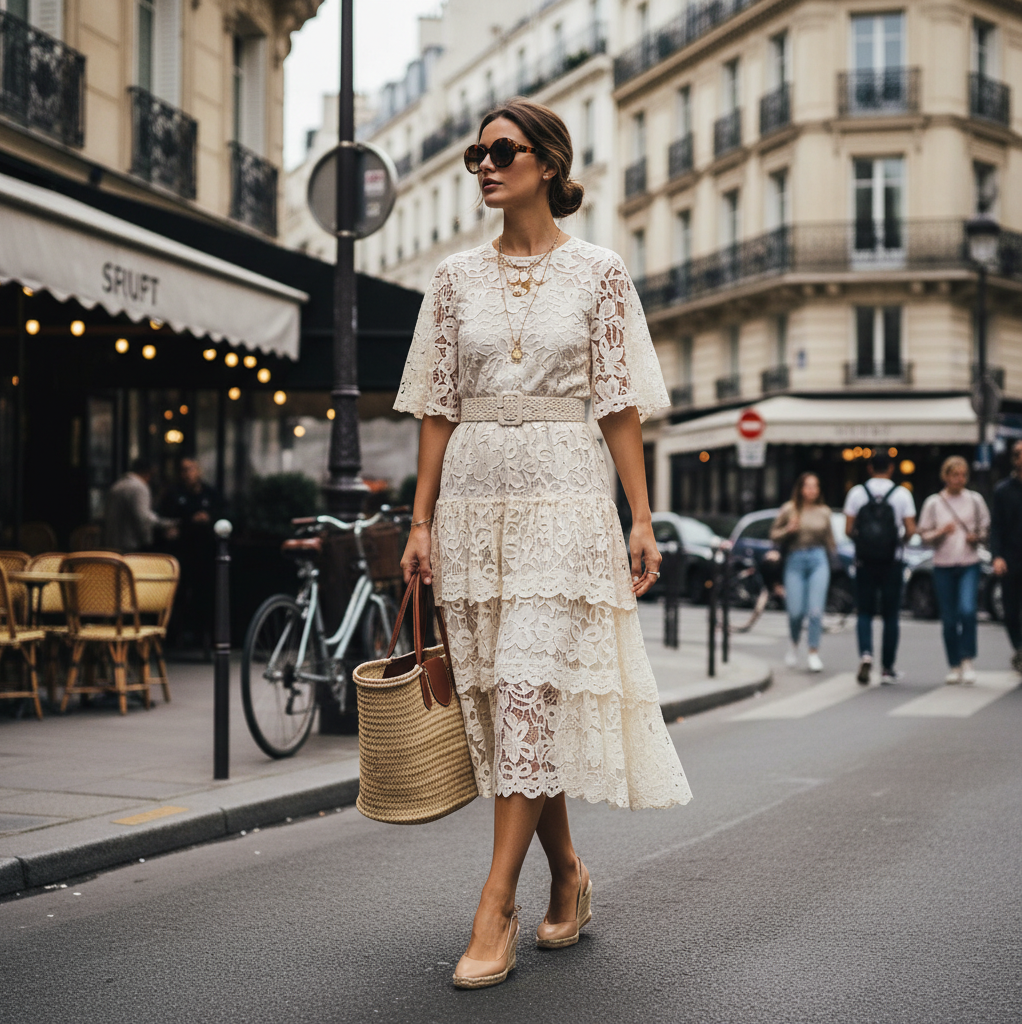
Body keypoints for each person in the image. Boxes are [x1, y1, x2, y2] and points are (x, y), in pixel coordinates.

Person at [396, 98, 692, 990]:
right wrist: (418, 522)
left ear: (548, 163)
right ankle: (567, 871)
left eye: (501, 151)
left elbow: (620, 404)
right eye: (475, 155)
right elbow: (436, 407)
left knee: (527, 685)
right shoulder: (451, 279)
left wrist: (641, 516)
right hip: (476, 501)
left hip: (566, 495)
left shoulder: (601, 274)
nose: (484, 166)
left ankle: (496, 903)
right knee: (511, 702)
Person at [843, 451, 917, 685]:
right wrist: (897, 541)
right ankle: (887, 668)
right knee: (890, 615)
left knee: (864, 612)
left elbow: (848, 529)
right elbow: (911, 529)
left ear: (869, 468)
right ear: (892, 468)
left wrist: (864, 543)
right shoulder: (902, 494)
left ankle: (866, 654)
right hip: (891, 561)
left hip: (865, 561)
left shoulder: (857, 493)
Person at [917, 456, 990, 684]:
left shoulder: (975, 500)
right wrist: (940, 532)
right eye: (955, 474)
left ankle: (967, 658)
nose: (960, 479)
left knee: (967, 610)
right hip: (943, 565)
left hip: (969, 561)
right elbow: (923, 536)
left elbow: (986, 529)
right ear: (946, 476)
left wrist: (976, 537)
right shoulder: (934, 503)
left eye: (963, 475)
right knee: (948, 618)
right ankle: (954, 663)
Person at [770, 473, 834, 673]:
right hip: (795, 559)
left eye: (815, 486)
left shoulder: (824, 512)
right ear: (800, 488)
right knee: (796, 611)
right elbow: (773, 535)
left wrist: (837, 562)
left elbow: (830, 541)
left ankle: (813, 652)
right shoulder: (790, 509)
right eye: (808, 486)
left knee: (815, 611)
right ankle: (794, 643)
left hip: (818, 559)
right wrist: (788, 530)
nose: (812, 490)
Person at [160, 458, 224, 651]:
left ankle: (204, 638)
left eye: (191, 469)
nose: (187, 473)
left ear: (198, 470)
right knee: (177, 596)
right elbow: (165, 520)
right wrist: (186, 521)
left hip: (205, 553)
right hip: (181, 552)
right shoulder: (173, 494)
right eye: (183, 470)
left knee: (205, 596)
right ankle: (172, 640)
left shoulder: (210, 493)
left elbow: (225, 514)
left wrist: (209, 518)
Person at [990, 439, 1022, 673]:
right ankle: (1019, 648)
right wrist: (997, 556)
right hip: (1011, 558)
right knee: (1010, 611)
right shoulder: (1003, 490)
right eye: (1017, 454)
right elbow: (996, 527)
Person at [104, 459, 167, 552]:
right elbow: (143, 518)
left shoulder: (118, 484)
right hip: (130, 545)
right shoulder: (139, 487)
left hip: (112, 543)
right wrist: (148, 542)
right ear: (148, 472)